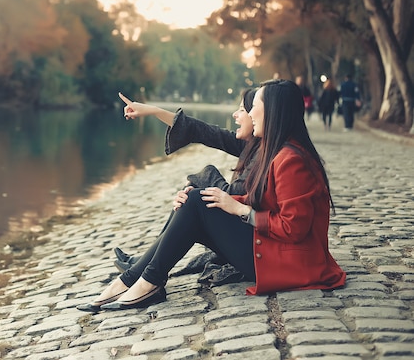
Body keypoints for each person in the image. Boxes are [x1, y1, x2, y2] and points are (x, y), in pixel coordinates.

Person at [77, 79, 346, 312]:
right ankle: (135, 279)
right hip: (270, 250)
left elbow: (293, 228)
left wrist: (238, 209)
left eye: (254, 107)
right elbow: (256, 200)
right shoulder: (271, 150)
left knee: (197, 201)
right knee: (196, 197)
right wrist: (223, 201)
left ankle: (147, 282)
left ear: (273, 112)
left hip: (290, 264)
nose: (249, 113)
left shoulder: (291, 159)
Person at [112, 88, 260, 286]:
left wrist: (203, 180)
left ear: (256, 115)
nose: (235, 114)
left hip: (256, 251)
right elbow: (202, 131)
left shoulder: (265, 154)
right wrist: (154, 111)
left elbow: (234, 198)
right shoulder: (252, 146)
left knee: (197, 190)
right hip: (246, 236)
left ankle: (145, 268)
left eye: (242, 109)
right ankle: (145, 262)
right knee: (194, 189)